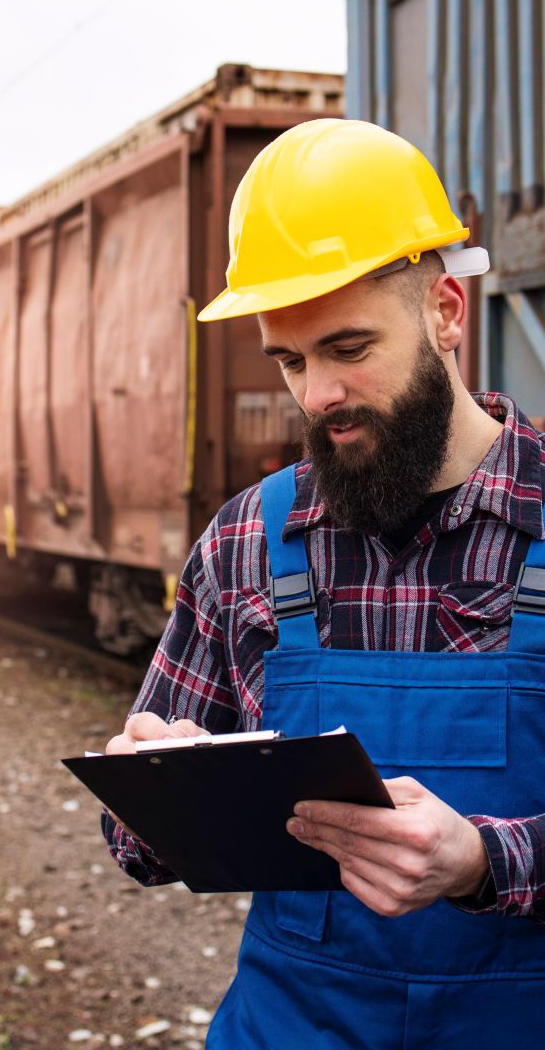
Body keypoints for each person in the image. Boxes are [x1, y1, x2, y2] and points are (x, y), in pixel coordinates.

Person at [101, 120, 545, 1046]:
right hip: (294, 1023)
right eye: (291, 361)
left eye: (348, 348)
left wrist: (484, 860)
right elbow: (134, 845)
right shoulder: (248, 543)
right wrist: (163, 788)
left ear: (447, 313)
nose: (318, 396)